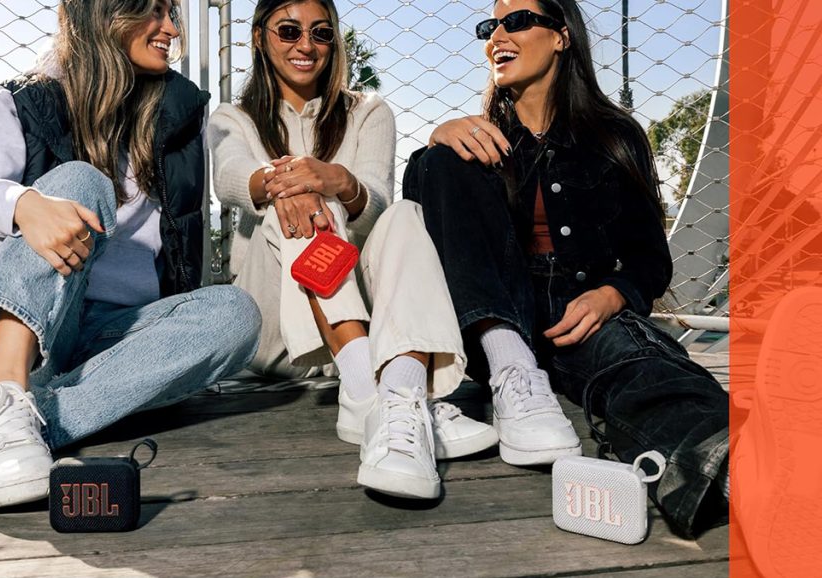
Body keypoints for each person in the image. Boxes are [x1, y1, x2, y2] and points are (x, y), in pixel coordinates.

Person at [0, 0, 261, 509]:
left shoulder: (176, 114)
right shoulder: (19, 103)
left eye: (173, 12)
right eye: (155, 11)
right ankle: (5, 387)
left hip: (115, 338)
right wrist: (23, 204)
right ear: (106, 13)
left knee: (235, 314)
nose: (171, 28)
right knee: (80, 181)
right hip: (2, 332)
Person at [404, 0, 728, 535]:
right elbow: (430, 221)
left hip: (581, 313)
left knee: (639, 361)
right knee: (438, 162)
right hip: (495, 324)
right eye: (490, 26)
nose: (498, 34)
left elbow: (651, 258)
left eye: (518, 20)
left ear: (561, 37)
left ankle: (727, 466)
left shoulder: (614, 136)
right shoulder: (474, 143)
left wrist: (613, 295)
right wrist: (437, 143)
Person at [208, 0, 497, 500]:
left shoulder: (368, 111)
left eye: (321, 33)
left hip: (362, 322)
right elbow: (231, 179)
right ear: (259, 36)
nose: (306, 45)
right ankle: (383, 395)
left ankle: (383, 394)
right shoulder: (231, 117)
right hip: (277, 326)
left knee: (406, 214)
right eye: (288, 30)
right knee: (294, 199)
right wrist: (295, 181)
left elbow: (379, 206)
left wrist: (339, 180)